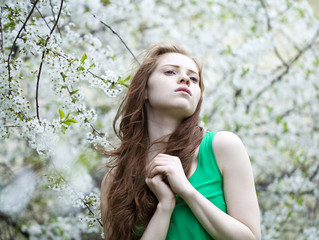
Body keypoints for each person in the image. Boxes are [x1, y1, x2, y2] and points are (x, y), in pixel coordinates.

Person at [100, 43, 261, 240]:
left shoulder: (223, 147)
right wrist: (165, 206)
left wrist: (186, 191)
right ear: (144, 90)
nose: (185, 79)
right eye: (169, 72)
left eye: (194, 79)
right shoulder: (115, 178)